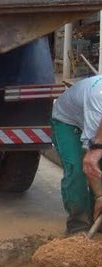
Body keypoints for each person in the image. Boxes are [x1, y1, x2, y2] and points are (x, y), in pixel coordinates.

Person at [51, 73, 102, 235]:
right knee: (77, 170)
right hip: (68, 121)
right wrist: (100, 196)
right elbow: (90, 160)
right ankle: (78, 225)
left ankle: (97, 220)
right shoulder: (97, 100)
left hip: (93, 118)